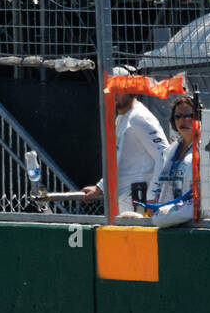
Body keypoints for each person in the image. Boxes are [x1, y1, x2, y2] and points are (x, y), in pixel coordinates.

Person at [81, 88, 173, 216]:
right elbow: (118, 159)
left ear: (131, 89)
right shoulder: (121, 117)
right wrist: (100, 187)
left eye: (118, 89)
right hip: (125, 201)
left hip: (141, 203)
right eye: (109, 89)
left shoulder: (140, 117)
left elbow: (164, 156)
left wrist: (153, 196)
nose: (113, 93)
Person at [149, 92, 200, 227]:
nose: (182, 121)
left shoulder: (208, 147)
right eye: (178, 116)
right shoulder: (170, 151)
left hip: (198, 220)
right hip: (174, 218)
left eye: (188, 116)